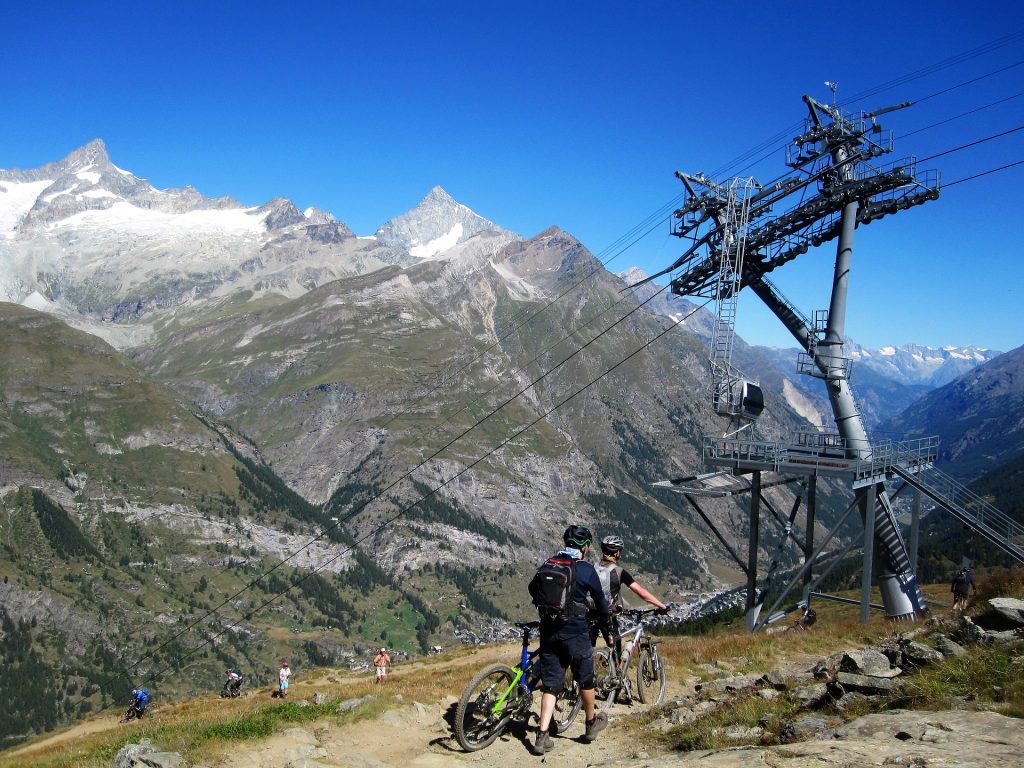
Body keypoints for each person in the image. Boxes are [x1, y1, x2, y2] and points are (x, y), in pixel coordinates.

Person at [531, 524, 611, 756]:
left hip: (549, 632)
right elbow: (602, 605)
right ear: (585, 548)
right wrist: (604, 623)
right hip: (576, 632)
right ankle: (590, 723)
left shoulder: (550, 563)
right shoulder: (586, 570)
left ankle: (542, 735)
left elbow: (532, 589)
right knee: (586, 679)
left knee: (551, 683)